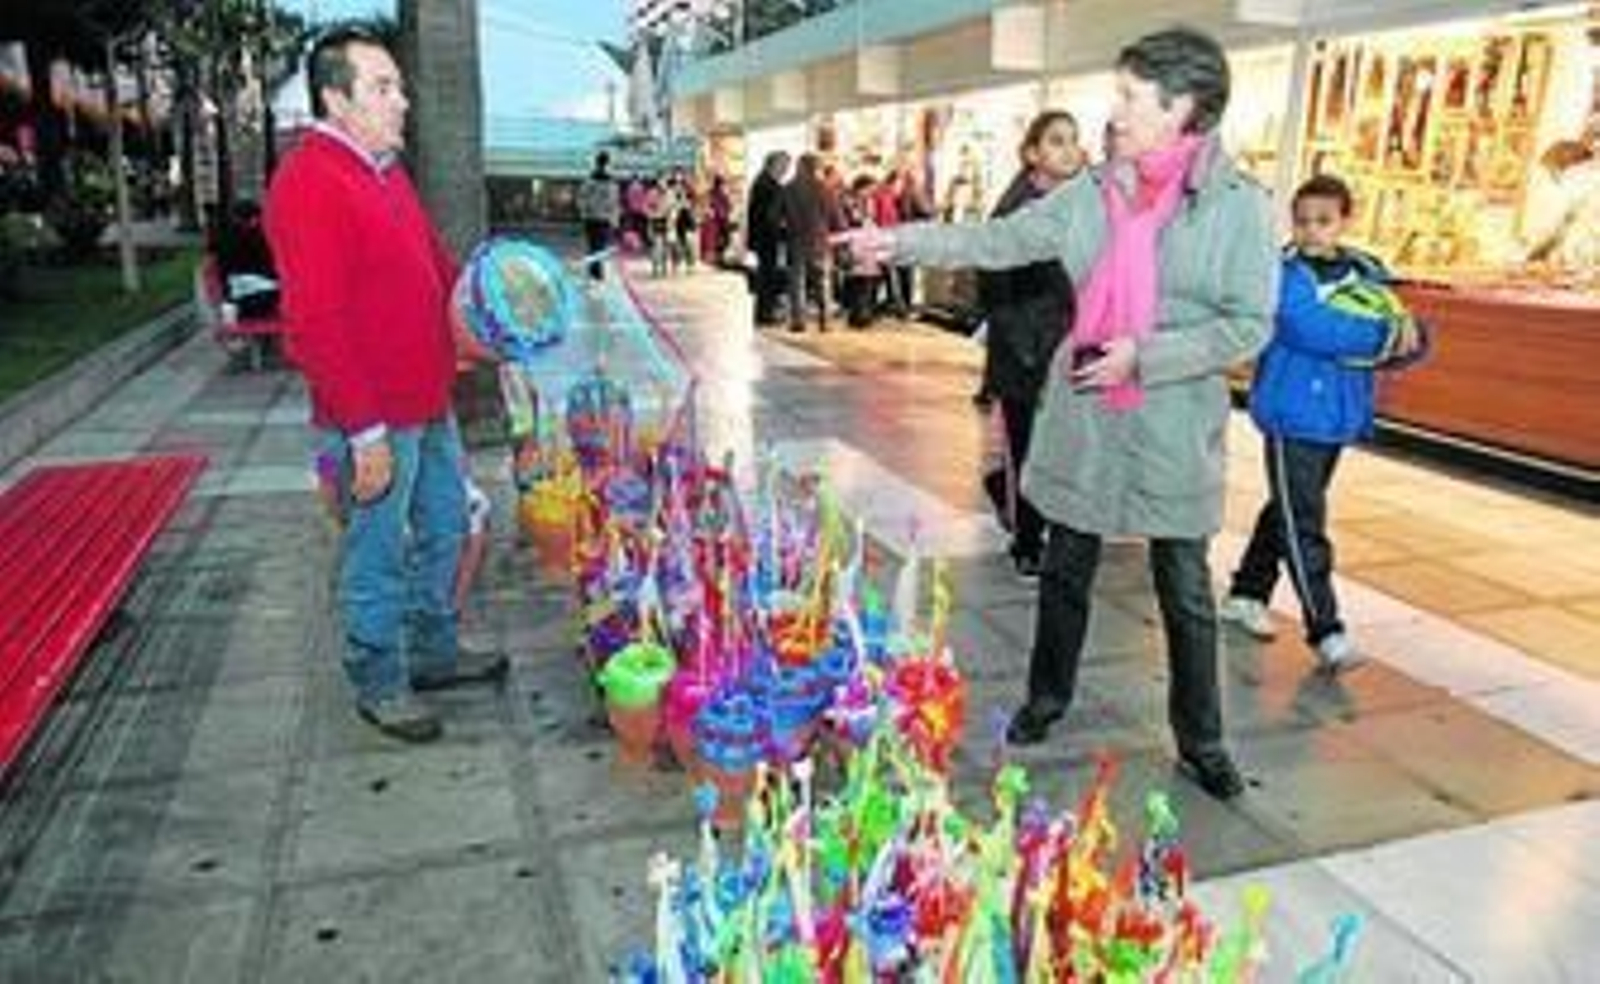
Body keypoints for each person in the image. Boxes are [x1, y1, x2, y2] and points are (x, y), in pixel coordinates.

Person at [839, 27, 1277, 799]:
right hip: (1086, 413)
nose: (1115, 113)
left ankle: (1203, 740)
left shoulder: (1241, 209)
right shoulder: (1095, 191)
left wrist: (1149, 354)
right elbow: (1001, 238)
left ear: (1182, 109)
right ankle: (1048, 699)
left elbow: (1248, 324)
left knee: (1184, 589)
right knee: (1065, 567)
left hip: (1172, 422)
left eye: (1131, 98)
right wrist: (897, 241)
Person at [265, 25, 508, 744]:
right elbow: (315, 322)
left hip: (427, 398)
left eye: (398, 85)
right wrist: (363, 430)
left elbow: (435, 269)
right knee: (376, 548)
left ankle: (434, 652)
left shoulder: (383, 170)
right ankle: (379, 680)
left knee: (446, 524)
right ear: (336, 100)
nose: (402, 100)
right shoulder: (309, 182)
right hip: (372, 415)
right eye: (383, 87)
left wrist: (479, 320)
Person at [1220, 174, 1425, 673]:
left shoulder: (1365, 271)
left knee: (1288, 508)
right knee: (1304, 520)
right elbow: (1312, 327)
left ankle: (1246, 592)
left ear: (1344, 221)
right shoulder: (1285, 274)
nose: (1312, 231)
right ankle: (1327, 630)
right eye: (1303, 220)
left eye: (1324, 221)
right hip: (1293, 413)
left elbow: (1408, 330)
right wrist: (1383, 333)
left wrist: (1407, 337)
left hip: (1336, 414)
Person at [977, 110, 1085, 578]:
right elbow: (994, 282)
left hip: (1063, 345)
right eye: (1057, 141)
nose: (1070, 149)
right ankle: (1026, 541)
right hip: (1026, 350)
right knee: (1028, 450)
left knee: (1054, 447)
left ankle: (1018, 505)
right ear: (1032, 154)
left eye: (1073, 140)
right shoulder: (1016, 207)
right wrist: (1022, 347)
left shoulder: (1078, 205)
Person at [782, 152, 832, 333]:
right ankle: (825, 321)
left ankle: (799, 321)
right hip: (820, 241)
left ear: (800, 167)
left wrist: (784, 228)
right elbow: (834, 215)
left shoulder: (788, 189)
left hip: (796, 241)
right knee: (822, 281)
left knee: (797, 283)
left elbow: (774, 217)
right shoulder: (825, 189)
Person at [746, 151, 790, 326]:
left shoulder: (763, 181)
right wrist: (783, 231)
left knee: (766, 276)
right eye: (784, 165)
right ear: (774, 164)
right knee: (767, 276)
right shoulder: (767, 184)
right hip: (767, 238)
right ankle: (765, 315)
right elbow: (770, 216)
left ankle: (765, 313)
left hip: (763, 237)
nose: (786, 169)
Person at [576, 151, 619, 281]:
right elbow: (613, 202)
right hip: (604, 218)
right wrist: (614, 219)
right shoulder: (611, 183)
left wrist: (584, 212)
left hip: (590, 218)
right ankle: (597, 273)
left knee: (592, 245)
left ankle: (593, 271)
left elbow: (581, 199)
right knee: (600, 246)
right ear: (608, 163)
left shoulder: (589, 180)